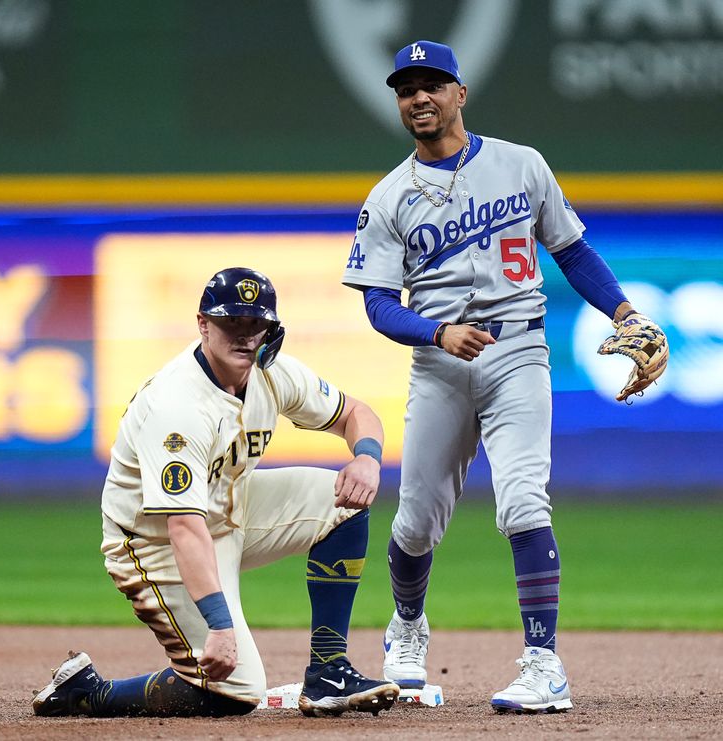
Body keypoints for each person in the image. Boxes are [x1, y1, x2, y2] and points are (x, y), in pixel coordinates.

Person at [341, 40, 668, 713]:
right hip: (438, 364)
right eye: (407, 89)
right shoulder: (389, 196)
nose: (419, 97)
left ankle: (545, 664)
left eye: (432, 84)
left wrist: (627, 310)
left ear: (461, 93)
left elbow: (572, 251)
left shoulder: (521, 165)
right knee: (413, 524)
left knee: (522, 500)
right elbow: (376, 304)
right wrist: (436, 331)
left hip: (518, 352)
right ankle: (406, 629)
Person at [32, 267, 400, 719]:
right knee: (235, 692)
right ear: (203, 324)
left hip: (228, 509)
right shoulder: (178, 406)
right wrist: (219, 627)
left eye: (255, 324)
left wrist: (365, 457)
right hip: (155, 544)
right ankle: (85, 692)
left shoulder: (274, 373)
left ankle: (328, 672)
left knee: (340, 503)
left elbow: (356, 413)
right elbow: (184, 528)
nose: (244, 336)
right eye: (231, 323)